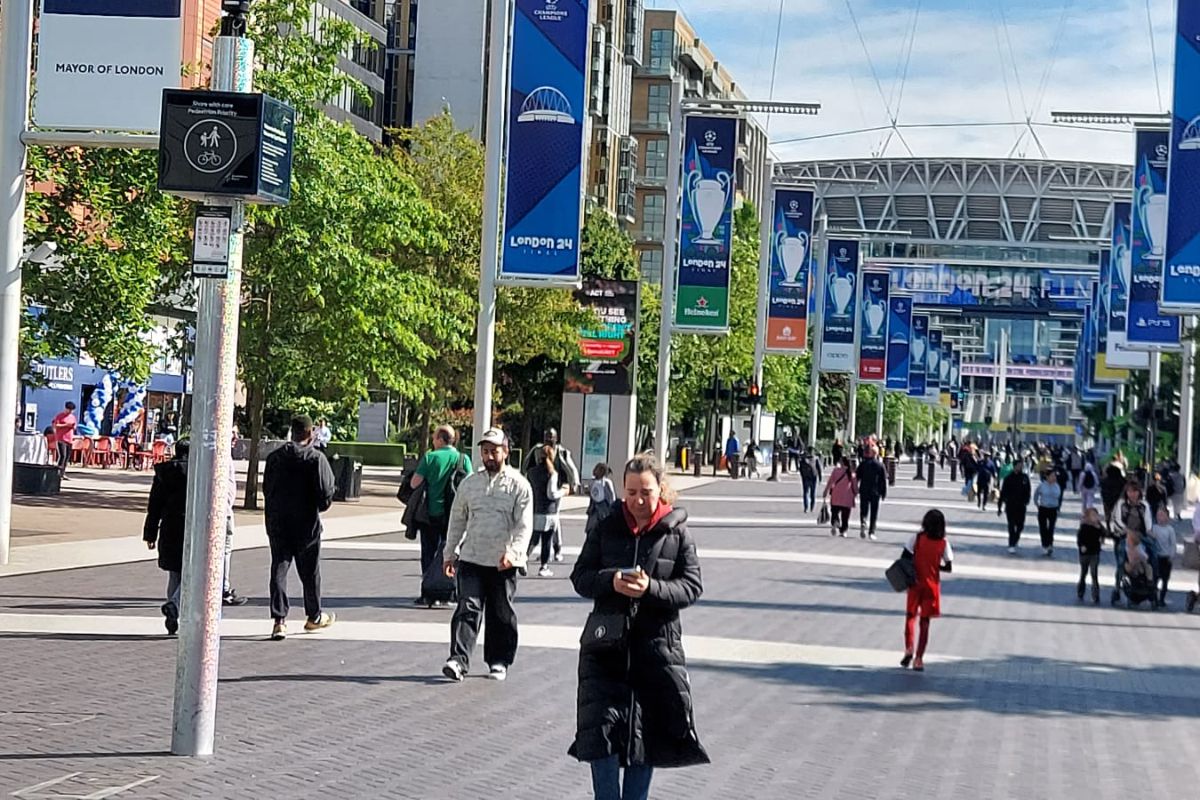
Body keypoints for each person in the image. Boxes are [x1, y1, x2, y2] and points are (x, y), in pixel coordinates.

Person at [569, 454, 709, 798]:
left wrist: (651, 589)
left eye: (645, 492)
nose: (637, 501)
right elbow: (581, 576)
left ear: (660, 489)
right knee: (600, 736)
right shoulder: (607, 525)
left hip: (655, 652)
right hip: (605, 652)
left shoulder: (677, 532)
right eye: (631, 492)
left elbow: (691, 586)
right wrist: (610, 581)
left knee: (643, 740)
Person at [442, 428, 533, 682]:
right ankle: (458, 661)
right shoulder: (470, 484)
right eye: (485, 451)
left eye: (494, 451)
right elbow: (457, 520)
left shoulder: (519, 485)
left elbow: (524, 525)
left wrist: (514, 553)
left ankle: (499, 660)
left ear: (506, 451)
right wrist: (450, 553)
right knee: (467, 607)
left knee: (500, 611)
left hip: (504, 562)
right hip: (472, 557)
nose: (489, 456)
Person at [264, 415, 337, 641]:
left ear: (291, 431)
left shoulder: (275, 458)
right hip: (306, 524)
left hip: (278, 522)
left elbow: (267, 488)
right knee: (310, 572)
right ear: (310, 433)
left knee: (279, 567)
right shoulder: (316, 459)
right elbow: (325, 495)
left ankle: (279, 620)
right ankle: (314, 615)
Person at [409, 425, 471, 607]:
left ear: (441, 439)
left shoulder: (430, 457)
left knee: (429, 553)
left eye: (434, 437)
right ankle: (450, 590)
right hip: (454, 514)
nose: (432, 440)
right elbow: (470, 484)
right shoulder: (463, 459)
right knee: (451, 552)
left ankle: (428, 592)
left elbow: (414, 484)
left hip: (430, 514)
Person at [142, 441, 190, 635]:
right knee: (191, 572)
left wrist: (150, 533)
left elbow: (154, 505)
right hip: (190, 526)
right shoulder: (196, 472)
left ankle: (173, 614)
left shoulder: (163, 473)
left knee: (175, 573)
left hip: (169, 526)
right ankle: (174, 605)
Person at [899, 509, 953, 672]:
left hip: (915, 584)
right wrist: (936, 566)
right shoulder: (944, 543)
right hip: (932, 586)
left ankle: (909, 648)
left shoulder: (916, 538)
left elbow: (904, 557)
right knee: (925, 622)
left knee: (910, 617)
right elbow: (948, 566)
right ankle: (919, 659)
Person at [528, 445, 569, 578]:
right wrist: (563, 491)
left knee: (533, 539)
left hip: (535, 510)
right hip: (549, 512)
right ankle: (543, 567)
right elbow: (551, 494)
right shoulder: (552, 474)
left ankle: (522, 559)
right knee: (547, 541)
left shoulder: (532, 472)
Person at [1113, 480, 1154, 605]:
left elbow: (1148, 522)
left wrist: (1148, 532)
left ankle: (1151, 584)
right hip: (1124, 535)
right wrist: (1127, 531)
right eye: (1130, 491)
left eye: (1135, 491)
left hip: (1141, 536)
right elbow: (1117, 520)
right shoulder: (1121, 504)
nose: (1132, 494)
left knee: (1154, 555)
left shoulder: (1144, 505)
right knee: (1121, 559)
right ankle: (1117, 587)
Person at [221, 460, 247, 606]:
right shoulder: (222, 455)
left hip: (223, 510)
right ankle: (223, 590)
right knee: (225, 550)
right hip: (223, 511)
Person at [998, 460, 1032, 554]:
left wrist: (1027, 500)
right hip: (1010, 505)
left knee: (1020, 525)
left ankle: (1016, 538)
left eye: (1022, 466)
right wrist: (1000, 506)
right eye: (1018, 465)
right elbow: (1003, 492)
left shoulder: (1025, 478)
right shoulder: (1009, 478)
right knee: (1011, 525)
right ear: (1014, 466)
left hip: (1021, 505)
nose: (1020, 467)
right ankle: (1011, 543)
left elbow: (1028, 490)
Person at [856, 446, 887, 540]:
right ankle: (871, 532)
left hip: (864, 490)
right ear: (876, 454)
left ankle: (863, 521)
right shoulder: (880, 465)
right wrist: (883, 493)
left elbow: (857, 476)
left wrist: (855, 488)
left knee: (863, 509)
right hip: (875, 491)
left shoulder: (863, 464)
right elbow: (883, 480)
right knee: (874, 512)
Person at [1076, 507, 1105, 604]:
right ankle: (1081, 591)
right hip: (1085, 554)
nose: (1095, 517)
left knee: (1094, 574)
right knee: (1083, 573)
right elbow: (1079, 539)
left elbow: (1104, 534)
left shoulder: (1099, 527)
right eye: (1093, 515)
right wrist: (1082, 546)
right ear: (1087, 517)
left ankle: (1095, 595)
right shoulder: (1084, 527)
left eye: (1096, 515)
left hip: (1095, 553)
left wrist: (1100, 528)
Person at [823, 457, 857, 538]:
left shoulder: (836, 471)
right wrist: (855, 493)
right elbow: (855, 486)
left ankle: (835, 522)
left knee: (834, 512)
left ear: (842, 463)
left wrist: (826, 491)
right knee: (845, 516)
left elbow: (830, 482)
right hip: (847, 497)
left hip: (836, 495)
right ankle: (843, 531)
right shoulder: (851, 473)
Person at [1150, 507, 1177, 606]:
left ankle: (1162, 598)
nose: (1159, 517)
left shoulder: (1170, 530)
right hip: (1157, 557)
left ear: (1167, 517)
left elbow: (1173, 544)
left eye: (1162, 515)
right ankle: (1155, 598)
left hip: (1166, 557)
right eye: (1158, 515)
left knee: (1165, 580)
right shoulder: (1154, 528)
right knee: (1155, 578)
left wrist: (1172, 555)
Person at [1033, 470, 1062, 557]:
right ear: (1047, 477)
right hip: (1043, 508)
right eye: (1052, 476)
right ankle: (1044, 544)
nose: (1054, 478)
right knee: (1043, 527)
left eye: (1055, 476)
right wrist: (1037, 504)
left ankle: (1050, 544)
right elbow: (1036, 495)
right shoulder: (1042, 486)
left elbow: (1059, 497)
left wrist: (1058, 507)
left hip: (1053, 509)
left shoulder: (1057, 486)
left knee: (1051, 527)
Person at [586, 462, 617, 535]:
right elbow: (611, 498)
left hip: (598, 511)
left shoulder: (603, 483)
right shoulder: (598, 482)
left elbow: (611, 498)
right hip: (599, 511)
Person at [51, 401, 77, 479]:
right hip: (61, 438)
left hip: (69, 439)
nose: (70, 412)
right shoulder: (60, 416)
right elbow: (56, 425)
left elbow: (75, 426)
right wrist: (66, 425)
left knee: (67, 457)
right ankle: (58, 473)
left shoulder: (72, 417)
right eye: (69, 410)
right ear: (65, 408)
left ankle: (63, 473)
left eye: (72, 410)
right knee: (63, 455)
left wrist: (72, 426)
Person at [1100, 461, 1127, 532]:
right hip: (1117, 499)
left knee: (1108, 515)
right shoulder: (1121, 480)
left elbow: (1102, 489)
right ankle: (1117, 528)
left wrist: (1104, 497)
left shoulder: (1105, 481)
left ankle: (1108, 527)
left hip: (1107, 500)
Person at [798, 447, 822, 513]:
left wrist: (802, 476)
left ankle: (806, 507)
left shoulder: (803, 459)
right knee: (813, 493)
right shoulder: (815, 458)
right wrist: (820, 478)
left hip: (805, 477)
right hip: (813, 477)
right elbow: (819, 468)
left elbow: (800, 469)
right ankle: (812, 507)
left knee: (805, 492)